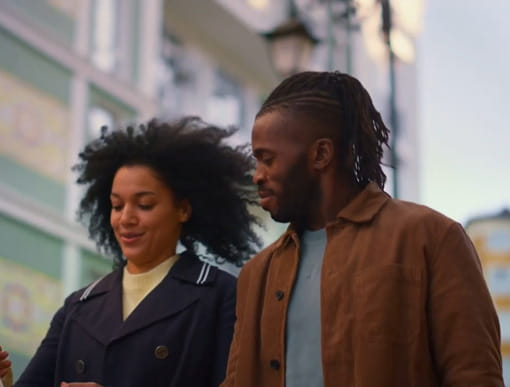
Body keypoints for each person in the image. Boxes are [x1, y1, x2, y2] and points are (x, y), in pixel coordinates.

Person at [220, 71, 504, 387]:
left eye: (267, 159)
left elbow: (475, 375)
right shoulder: (256, 274)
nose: (257, 175)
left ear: (321, 154)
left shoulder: (431, 237)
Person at [0, 117, 261, 387]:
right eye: (116, 205)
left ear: (183, 209)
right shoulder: (77, 308)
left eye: (145, 204)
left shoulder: (222, 296)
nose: (126, 218)